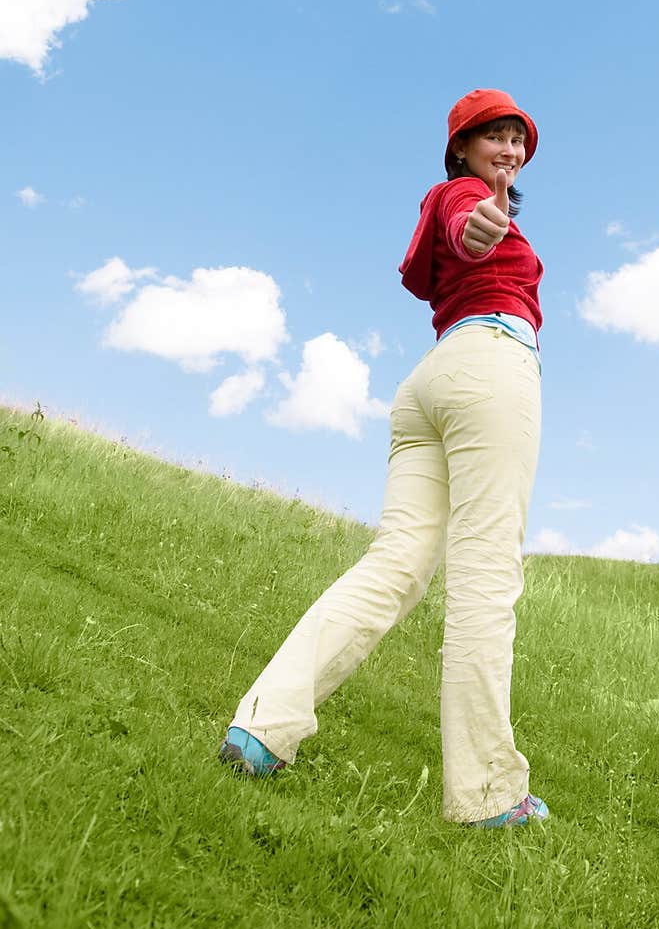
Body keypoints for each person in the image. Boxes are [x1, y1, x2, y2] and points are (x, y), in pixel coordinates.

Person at [219, 88, 547, 827]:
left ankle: (262, 726)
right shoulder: (461, 196)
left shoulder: (441, 200)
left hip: (433, 382)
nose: (510, 149)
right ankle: (489, 796)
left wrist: (476, 227)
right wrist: (480, 225)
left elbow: (450, 243)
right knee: (485, 577)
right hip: (491, 369)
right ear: (460, 147)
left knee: (394, 563)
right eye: (492, 135)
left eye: (518, 139)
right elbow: (470, 226)